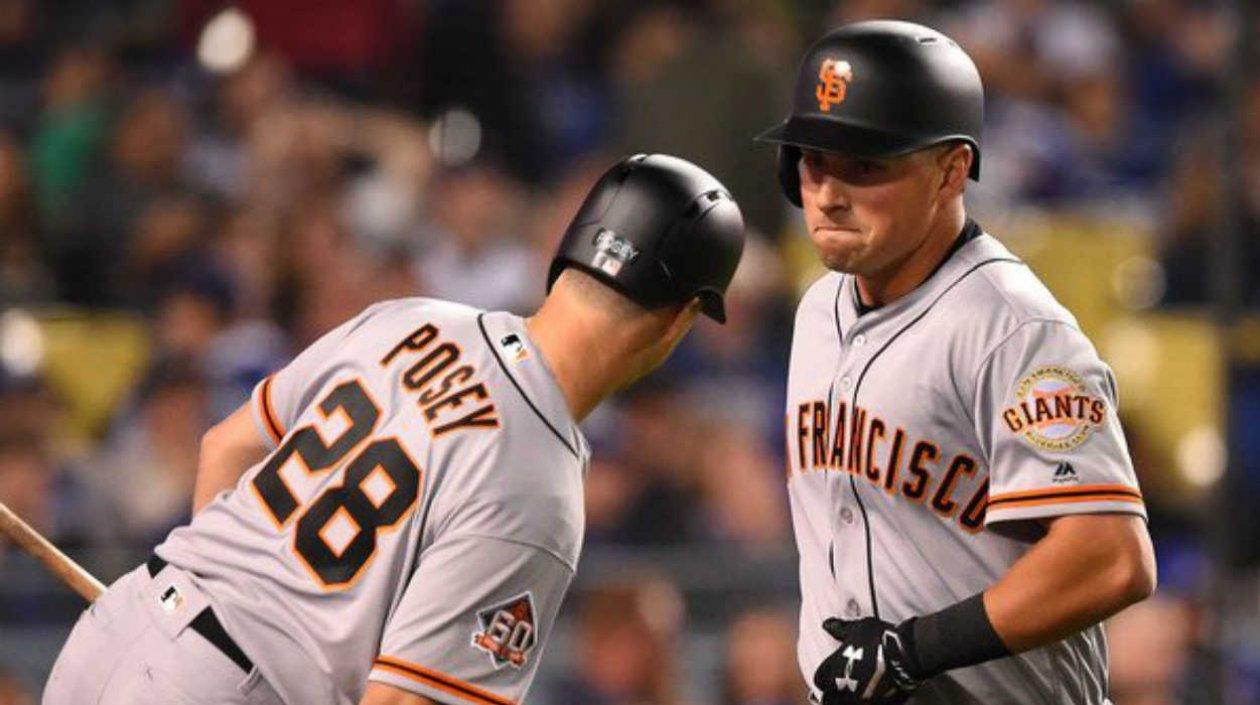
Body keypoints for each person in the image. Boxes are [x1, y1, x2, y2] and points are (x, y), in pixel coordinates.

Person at [41, 153, 745, 705]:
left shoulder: (412, 318)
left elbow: (226, 444)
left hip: (122, 620)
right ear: (677, 319)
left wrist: (224, 606)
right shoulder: (541, 485)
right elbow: (404, 697)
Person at [756, 20, 1155, 705]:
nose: (826, 192)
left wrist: (912, 650)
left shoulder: (1014, 329)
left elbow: (1111, 557)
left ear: (952, 170)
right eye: (813, 159)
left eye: (866, 165)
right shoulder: (818, 309)